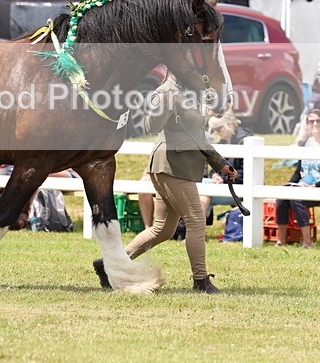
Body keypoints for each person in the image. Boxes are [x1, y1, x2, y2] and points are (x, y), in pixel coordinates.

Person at [93, 74, 237, 293]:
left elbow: (198, 136)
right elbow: (151, 125)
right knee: (196, 220)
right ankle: (201, 281)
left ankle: (108, 264)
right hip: (170, 166)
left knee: (163, 229)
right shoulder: (164, 92)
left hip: (178, 167)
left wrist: (220, 164)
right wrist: (165, 107)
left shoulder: (190, 91)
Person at [277, 108, 320, 248]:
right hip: (305, 184)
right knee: (282, 196)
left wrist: (315, 186)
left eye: (318, 121)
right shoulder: (307, 142)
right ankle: (281, 240)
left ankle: (307, 242)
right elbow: (298, 171)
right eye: (311, 121)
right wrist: (290, 184)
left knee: (297, 198)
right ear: (307, 124)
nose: (315, 124)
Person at [201, 111, 252, 220]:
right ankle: (195, 230)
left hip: (241, 187)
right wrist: (215, 175)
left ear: (229, 124)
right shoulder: (223, 143)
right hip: (228, 184)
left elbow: (246, 173)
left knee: (202, 191)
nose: (216, 133)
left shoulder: (243, 141)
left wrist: (223, 179)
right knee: (200, 185)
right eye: (213, 130)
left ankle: (196, 231)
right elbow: (216, 166)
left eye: (219, 129)